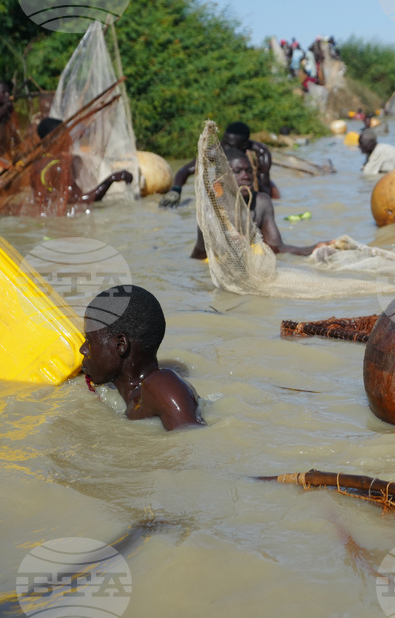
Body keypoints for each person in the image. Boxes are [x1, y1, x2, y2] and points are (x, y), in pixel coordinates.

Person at [80, 285, 203, 431]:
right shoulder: (120, 393)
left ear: (120, 345)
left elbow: (192, 442)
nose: (83, 349)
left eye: (89, 340)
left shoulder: (162, 385)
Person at [190, 148, 330, 259]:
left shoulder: (262, 202)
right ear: (221, 178)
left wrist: (313, 248)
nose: (246, 176)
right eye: (237, 172)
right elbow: (201, 252)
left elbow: (276, 248)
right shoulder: (212, 209)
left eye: (249, 171)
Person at [161, 122, 277, 207]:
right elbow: (186, 170)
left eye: (230, 145)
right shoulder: (217, 150)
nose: (224, 148)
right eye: (224, 142)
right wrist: (176, 189)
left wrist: (251, 177)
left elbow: (266, 191)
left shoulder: (260, 154)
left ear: (244, 145)